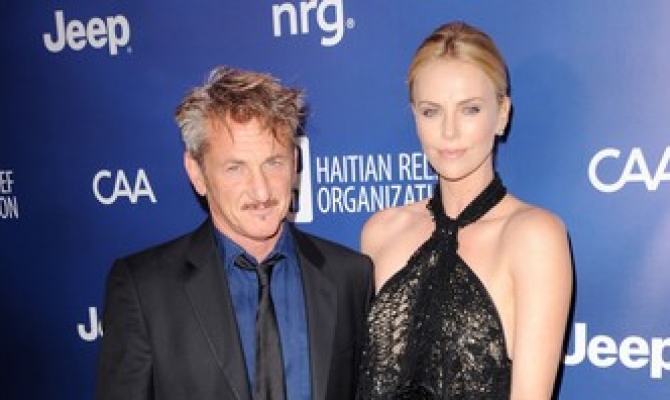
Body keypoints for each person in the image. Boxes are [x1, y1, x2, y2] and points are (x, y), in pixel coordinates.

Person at [94, 66, 373, 400]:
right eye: (235, 168)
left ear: (295, 160)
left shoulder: (350, 276)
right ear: (197, 173)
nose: (261, 191)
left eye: (274, 163)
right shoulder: (144, 290)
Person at [356, 22, 573, 399]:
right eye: (431, 112)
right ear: (414, 116)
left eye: (470, 109)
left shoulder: (534, 236)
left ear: (502, 114)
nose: (449, 132)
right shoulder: (381, 231)